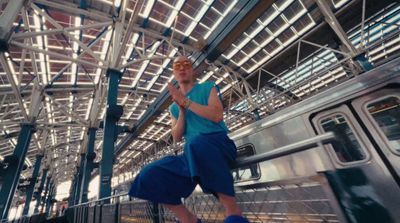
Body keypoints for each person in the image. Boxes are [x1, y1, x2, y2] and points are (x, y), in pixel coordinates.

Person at [129, 56, 250, 223]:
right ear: (174, 72)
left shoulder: (208, 87)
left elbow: (216, 115)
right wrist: (182, 111)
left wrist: (186, 102)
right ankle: (188, 219)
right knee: (149, 174)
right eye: (177, 66)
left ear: (192, 70)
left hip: (217, 143)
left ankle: (233, 212)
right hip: (191, 152)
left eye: (187, 65)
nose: (182, 68)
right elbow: (176, 137)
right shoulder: (173, 107)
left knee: (197, 143)